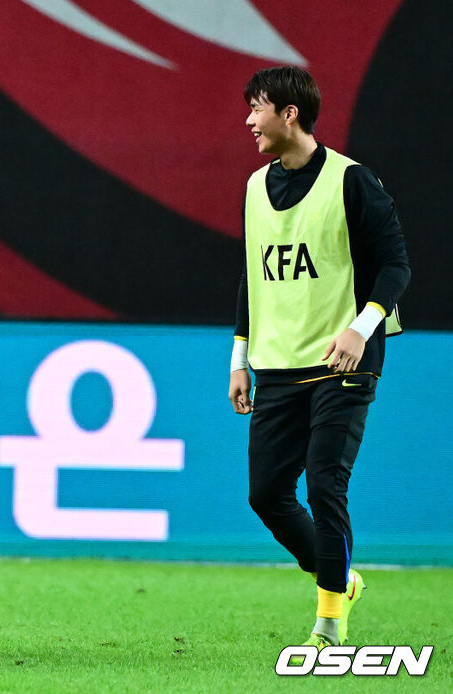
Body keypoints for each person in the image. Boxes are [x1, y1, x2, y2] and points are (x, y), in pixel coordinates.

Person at [228, 66, 410, 650]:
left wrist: (361, 328)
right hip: (279, 364)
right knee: (266, 495)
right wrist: (239, 356)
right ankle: (340, 579)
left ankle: (329, 625)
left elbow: (395, 265)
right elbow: (251, 278)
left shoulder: (352, 181)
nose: (249, 120)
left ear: (290, 114)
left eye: (257, 109)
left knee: (326, 484)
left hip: (343, 363)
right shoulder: (255, 188)